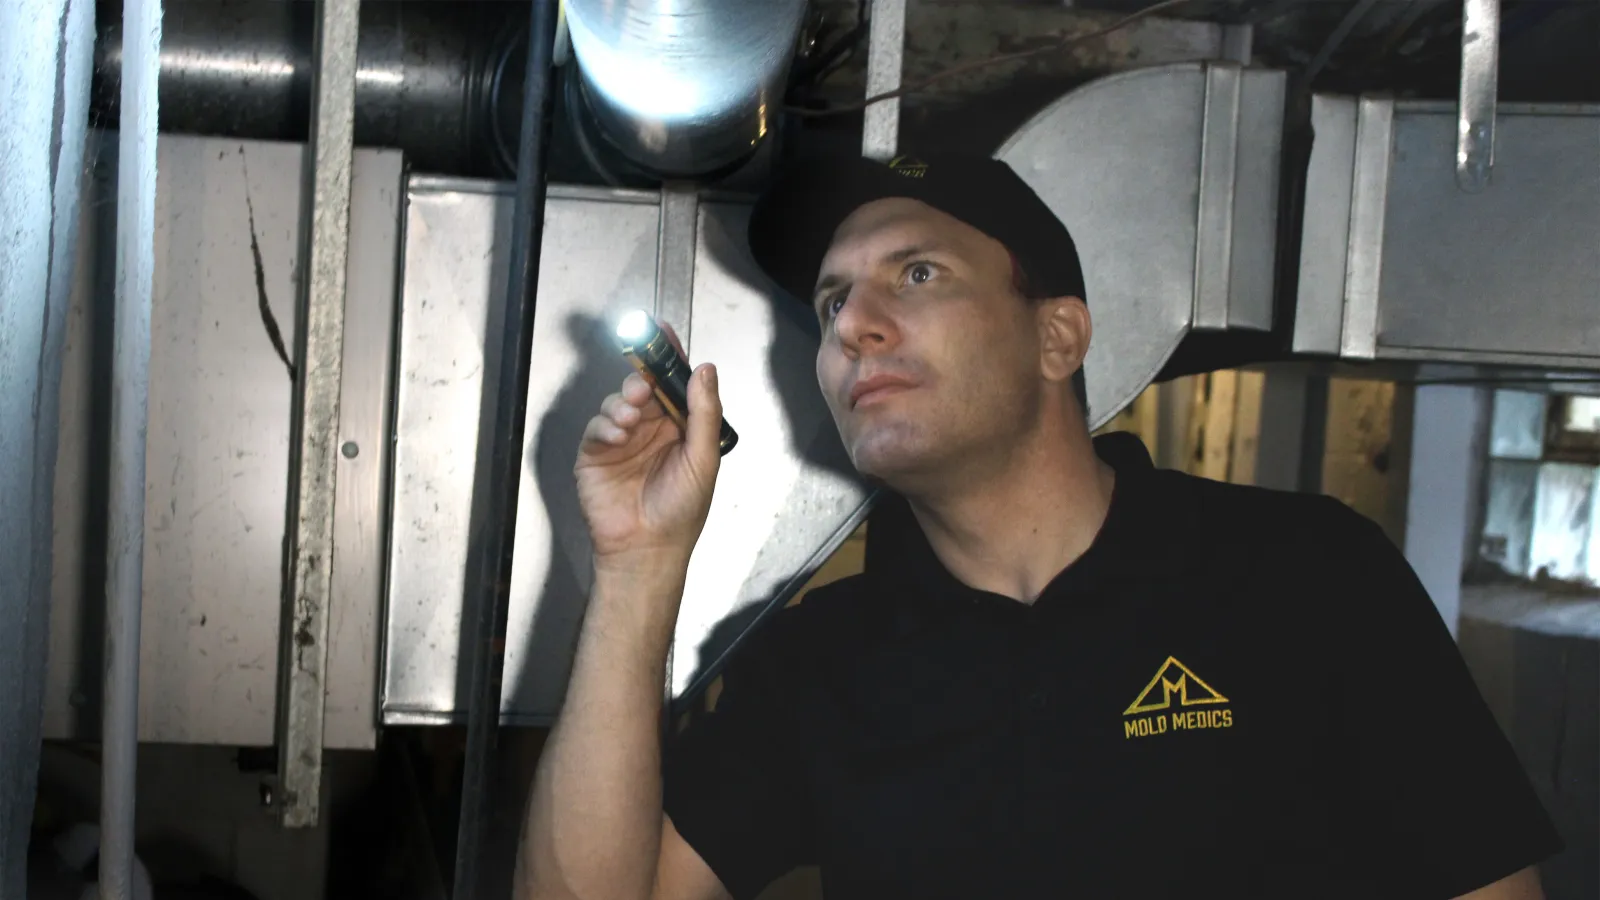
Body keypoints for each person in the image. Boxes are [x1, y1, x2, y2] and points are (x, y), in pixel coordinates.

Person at [514, 154, 1562, 900]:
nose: (852, 324)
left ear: (1056, 337)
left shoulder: (1305, 575)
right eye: (831, 303)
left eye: (916, 274)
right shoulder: (817, 664)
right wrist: (637, 563)